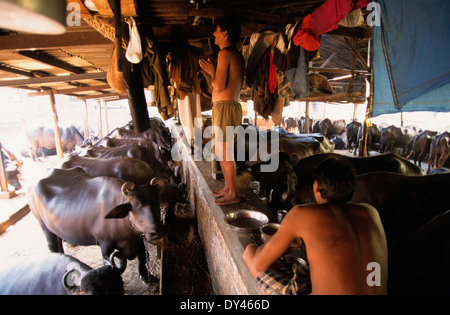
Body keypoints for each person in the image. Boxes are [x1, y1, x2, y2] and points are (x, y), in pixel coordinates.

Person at [243, 157, 388, 295]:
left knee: (250, 252)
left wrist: (279, 247)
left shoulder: (302, 214)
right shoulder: (370, 212)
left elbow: (258, 264)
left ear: (316, 186)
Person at [199, 16, 244, 206]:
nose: (214, 33)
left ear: (225, 33)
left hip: (225, 107)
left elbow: (218, 86)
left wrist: (211, 71)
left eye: (217, 30)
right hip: (228, 106)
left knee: (225, 153)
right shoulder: (235, 53)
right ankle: (227, 188)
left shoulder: (224, 53)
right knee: (222, 151)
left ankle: (233, 193)